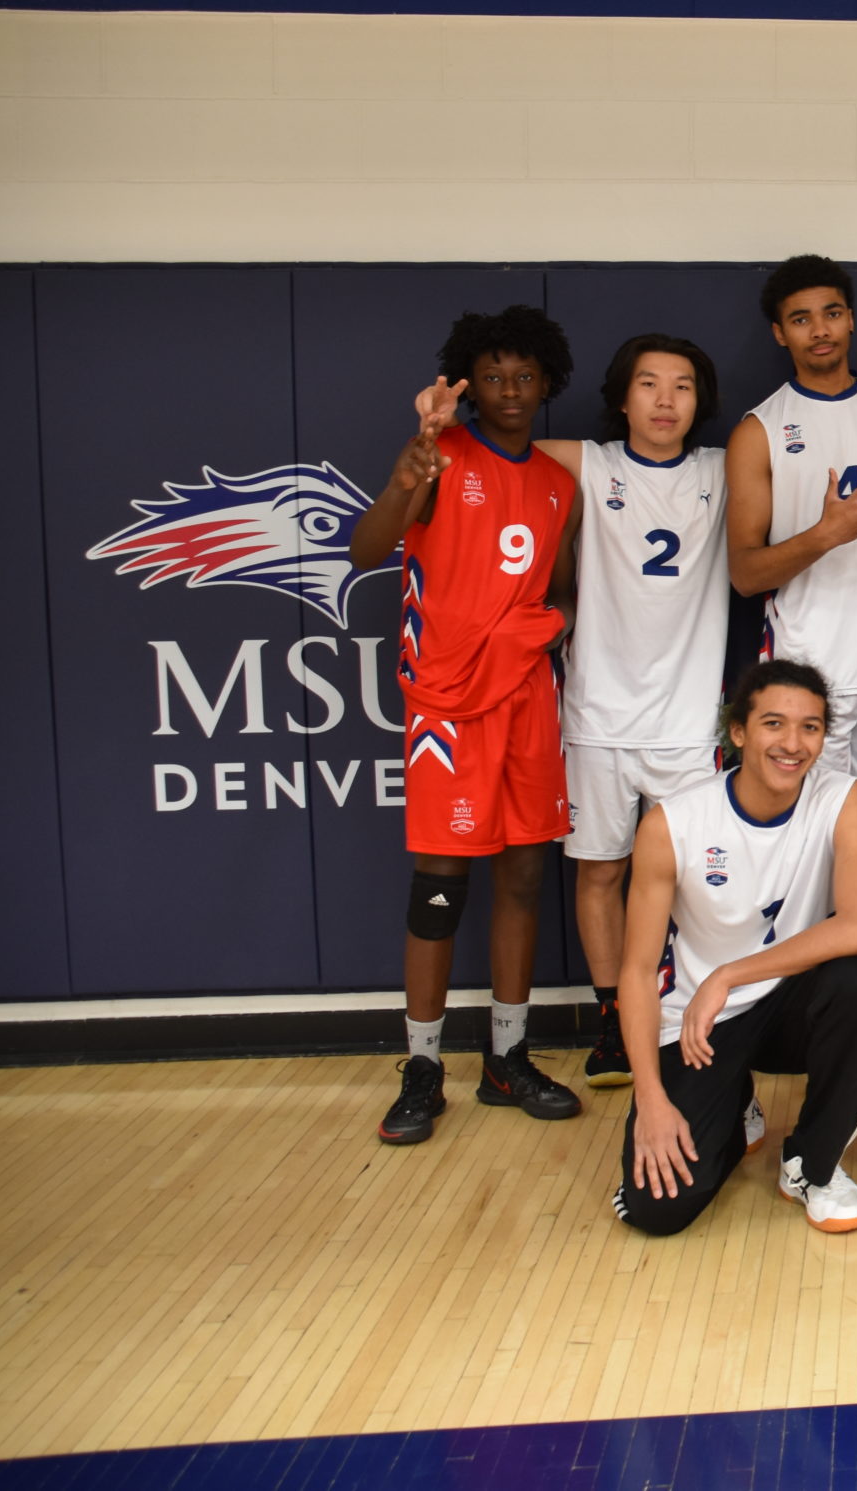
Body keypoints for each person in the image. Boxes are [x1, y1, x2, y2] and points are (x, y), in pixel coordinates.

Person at [349, 305, 583, 1143]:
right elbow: (365, 550)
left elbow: (560, 592)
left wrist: (546, 625)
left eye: (524, 376)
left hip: (526, 699)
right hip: (449, 707)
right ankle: (420, 1067)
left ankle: (506, 1058)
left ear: (548, 382)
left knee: (523, 875)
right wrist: (408, 471)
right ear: (468, 384)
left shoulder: (560, 484)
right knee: (441, 886)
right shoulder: (439, 456)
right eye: (492, 376)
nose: (510, 390)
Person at [610, 661, 857, 1235]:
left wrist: (730, 975)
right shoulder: (674, 823)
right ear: (739, 732)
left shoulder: (844, 799)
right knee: (658, 1210)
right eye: (774, 724)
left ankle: (812, 1166)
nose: (792, 744)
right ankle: (732, 1108)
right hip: (701, 1024)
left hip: (788, 1004)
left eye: (811, 727)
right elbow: (638, 971)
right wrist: (650, 1097)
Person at [537, 334, 729, 1091]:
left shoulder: (719, 470)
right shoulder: (590, 462)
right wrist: (440, 424)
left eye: (681, 386)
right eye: (647, 384)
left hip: (686, 720)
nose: (663, 400)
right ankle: (616, 1020)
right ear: (622, 397)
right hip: (598, 713)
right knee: (600, 872)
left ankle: (687, 1011)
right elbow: (493, 448)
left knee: (695, 879)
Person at [725, 253, 857, 793]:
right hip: (806, 668)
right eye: (800, 319)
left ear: (851, 319)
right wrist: (825, 536)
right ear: (779, 333)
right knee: (804, 820)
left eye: (832, 313)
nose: (820, 330)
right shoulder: (759, 429)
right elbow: (745, 574)